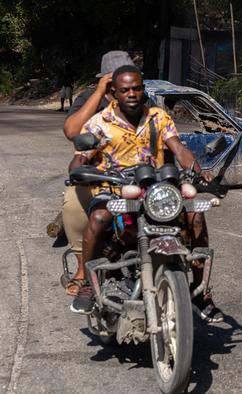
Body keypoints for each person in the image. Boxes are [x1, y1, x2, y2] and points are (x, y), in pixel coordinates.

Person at [67, 64, 223, 323]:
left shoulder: (158, 117)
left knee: (195, 214)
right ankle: (87, 283)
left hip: (156, 190)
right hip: (114, 189)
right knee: (98, 219)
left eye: (137, 88)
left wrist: (198, 170)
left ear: (143, 90)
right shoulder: (98, 123)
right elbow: (80, 157)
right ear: (113, 94)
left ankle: (200, 293)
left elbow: (179, 148)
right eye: (125, 89)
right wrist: (78, 170)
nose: (132, 94)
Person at [61, 51, 136, 299]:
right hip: (97, 174)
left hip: (135, 175)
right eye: (114, 80)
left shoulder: (139, 99)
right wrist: (98, 93)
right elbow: (72, 130)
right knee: (73, 201)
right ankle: (84, 270)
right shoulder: (90, 99)